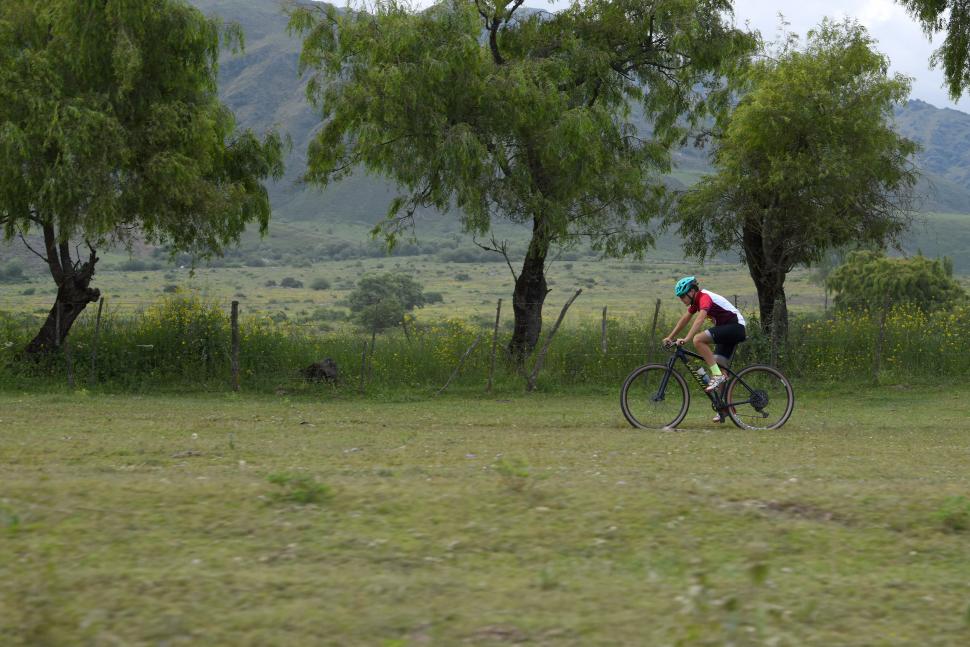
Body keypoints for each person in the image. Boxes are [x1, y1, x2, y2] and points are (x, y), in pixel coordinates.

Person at [662, 276, 746, 401]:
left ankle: (716, 375)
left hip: (736, 327)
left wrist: (687, 338)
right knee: (719, 365)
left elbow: (700, 318)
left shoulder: (704, 297)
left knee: (698, 339)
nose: (681, 299)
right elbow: (685, 319)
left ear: (692, 291)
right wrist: (670, 337)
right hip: (727, 330)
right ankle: (724, 408)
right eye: (679, 297)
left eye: (683, 296)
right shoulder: (696, 302)